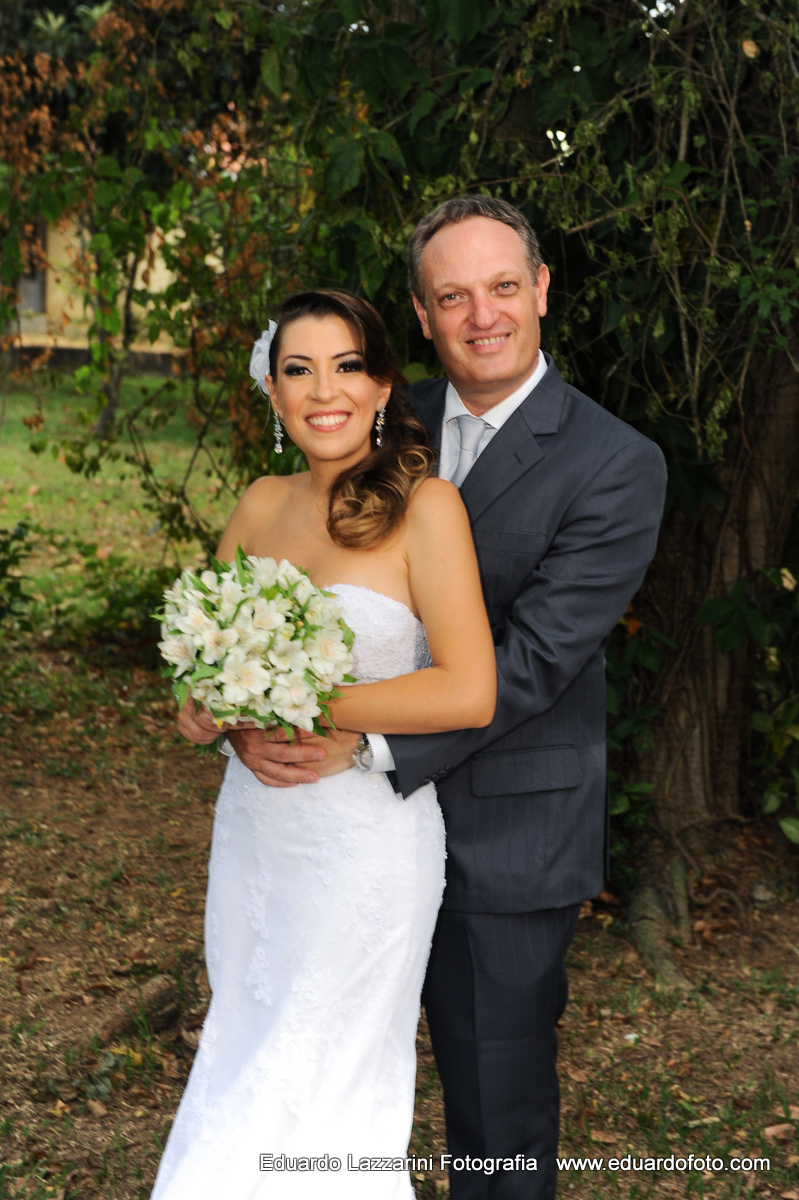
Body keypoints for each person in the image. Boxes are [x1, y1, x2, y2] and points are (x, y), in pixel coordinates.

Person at [216, 196, 668, 1200]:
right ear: (419, 316)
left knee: (492, 1120)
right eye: (451, 295)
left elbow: (535, 661)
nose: (481, 315)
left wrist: (355, 743)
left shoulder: (615, 463)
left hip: (503, 837)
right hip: (330, 841)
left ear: (542, 291)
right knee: (317, 1082)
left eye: (503, 287)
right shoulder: (376, 411)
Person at [151, 288, 497, 1200]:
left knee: (331, 1078)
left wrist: (306, 700)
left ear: (382, 382)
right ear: (272, 393)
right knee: (245, 1044)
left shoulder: (427, 509)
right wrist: (201, 710)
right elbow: (202, 661)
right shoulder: (260, 503)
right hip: (258, 835)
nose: (323, 389)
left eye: (346, 365)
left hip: (365, 849)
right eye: (298, 370)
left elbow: (468, 688)